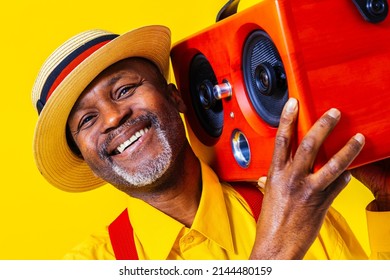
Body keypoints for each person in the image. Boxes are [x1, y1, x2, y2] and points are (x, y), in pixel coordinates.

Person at [31, 25, 390, 260]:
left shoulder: (291, 200)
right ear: (86, 157)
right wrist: (278, 252)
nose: (112, 118)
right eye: (87, 120)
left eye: (125, 90)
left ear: (176, 98)